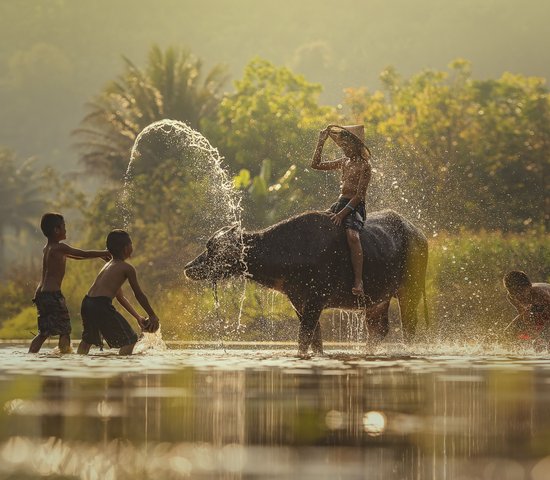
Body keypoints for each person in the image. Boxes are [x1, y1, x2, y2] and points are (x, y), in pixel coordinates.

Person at [29, 213, 111, 354]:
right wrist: (105, 252)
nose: (66, 230)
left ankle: (30, 356)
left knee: (43, 332)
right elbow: (83, 253)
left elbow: (76, 256)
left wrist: (100, 255)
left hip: (41, 294)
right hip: (53, 295)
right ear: (56, 230)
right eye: (64, 227)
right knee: (65, 330)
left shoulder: (48, 248)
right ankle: (65, 357)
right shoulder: (59, 247)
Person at [311, 124, 372, 296]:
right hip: (340, 202)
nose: (344, 149)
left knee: (352, 236)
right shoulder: (344, 162)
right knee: (320, 226)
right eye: (342, 146)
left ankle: (358, 281)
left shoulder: (365, 166)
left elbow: (359, 195)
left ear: (356, 146)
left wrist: (342, 214)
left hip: (355, 206)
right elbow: (316, 164)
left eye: (347, 146)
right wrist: (321, 142)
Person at [77, 229, 160, 355]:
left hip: (88, 303)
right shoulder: (127, 268)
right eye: (131, 244)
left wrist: (137, 317)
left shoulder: (108, 265)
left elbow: (120, 297)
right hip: (101, 305)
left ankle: (78, 364)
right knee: (130, 340)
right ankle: (121, 368)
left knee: (87, 340)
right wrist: (152, 315)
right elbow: (139, 295)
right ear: (126, 248)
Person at [503, 270, 550, 344]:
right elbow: (524, 314)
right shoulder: (511, 297)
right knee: (508, 332)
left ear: (529, 286)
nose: (518, 296)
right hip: (537, 307)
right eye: (513, 293)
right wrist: (535, 335)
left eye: (521, 291)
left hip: (546, 305)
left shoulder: (539, 292)